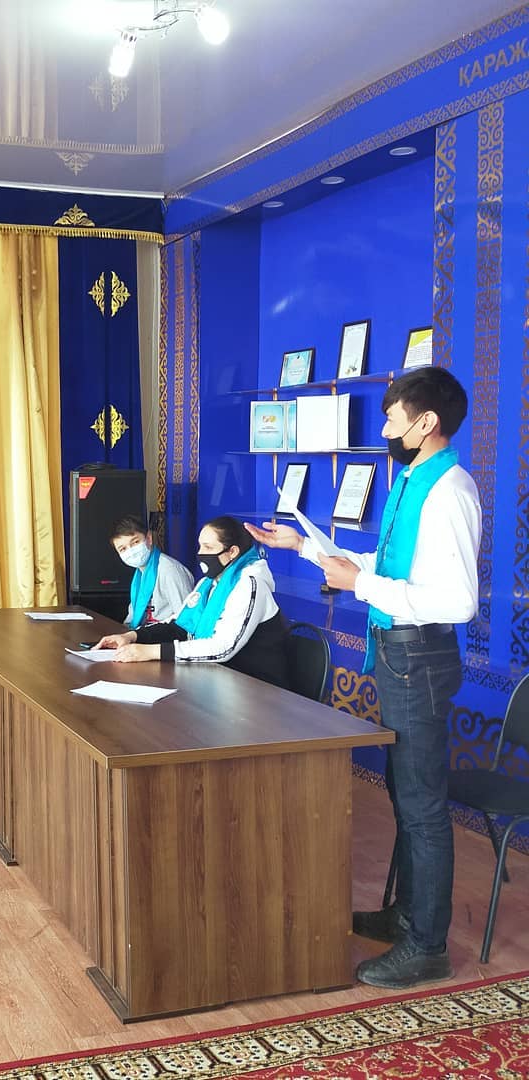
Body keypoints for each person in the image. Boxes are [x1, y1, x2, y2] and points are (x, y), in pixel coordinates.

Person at [245, 367, 481, 990]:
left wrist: (363, 585)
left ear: (426, 422)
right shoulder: (413, 482)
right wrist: (304, 548)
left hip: (420, 657)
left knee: (423, 807)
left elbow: (457, 600)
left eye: (393, 419)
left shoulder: (449, 490)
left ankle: (427, 946)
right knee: (406, 797)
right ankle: (407, 915)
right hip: (400, 654)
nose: (385, 430)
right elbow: (390, 566)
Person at [95, 515, 289, 689]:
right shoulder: (207, 584)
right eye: (200, 546)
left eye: (208, 547)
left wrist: (152, 651)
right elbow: (180, 624)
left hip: (256, 689)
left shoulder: (250, 584)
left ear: (232, 552)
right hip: (216, 680)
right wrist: (132, 636)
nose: (201, 553)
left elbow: (223, 647)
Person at [110, 513, 194, 629]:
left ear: (149, 538)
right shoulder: (139, 575)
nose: (131, 551)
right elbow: (131, 619)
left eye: (135, 542)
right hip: (143, 635)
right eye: (123, 549)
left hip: (165, 637)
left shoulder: (169, 570)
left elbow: (185, 620)